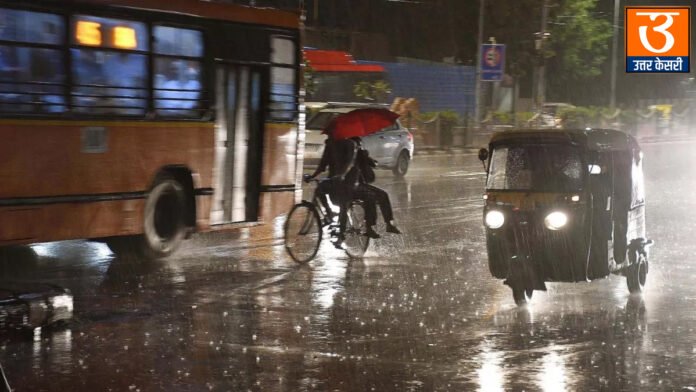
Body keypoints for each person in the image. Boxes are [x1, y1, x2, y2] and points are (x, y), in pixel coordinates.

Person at [351, 138, 402, 235]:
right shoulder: (356, 153)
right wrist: (364, 155)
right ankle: (371, 227)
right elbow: (373, 164)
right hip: (354, 185)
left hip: (357, 184)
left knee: (382, 195)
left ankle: (388, 224)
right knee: (371, 196)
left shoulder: (356, 153)